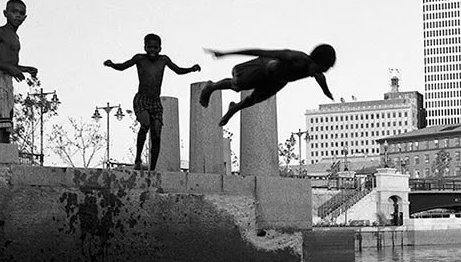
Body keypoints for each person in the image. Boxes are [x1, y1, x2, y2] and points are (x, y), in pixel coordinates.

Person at [103, 35, 200, 170]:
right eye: (150, 47)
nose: (152, 50)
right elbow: (123, 66)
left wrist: (191, 69)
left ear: (160, 48)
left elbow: (178, 70)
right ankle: (138, 158)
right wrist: (112, 64)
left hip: (155, 102)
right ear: (145, 47)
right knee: (145, 124)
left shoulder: (164, 60)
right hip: (142, 99)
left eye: (155, 47)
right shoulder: (139, 58)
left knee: (156, 135)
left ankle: (152, 169)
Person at [199, 44, 335, 128]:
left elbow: (321, 80)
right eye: (321, 68)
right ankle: (211, 86)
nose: (318, 73)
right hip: (264, 68)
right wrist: (226, 53)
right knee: (237, 85)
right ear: (315, 61)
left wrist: (327, 93)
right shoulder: (295, 57)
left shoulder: (317, 72)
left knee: (253, 100)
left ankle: (233, 109)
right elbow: (259, 51)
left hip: (277, 82)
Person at [0, 0, 36, 143]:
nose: (17, 15)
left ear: (25, 17)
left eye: (21, 13)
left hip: (6, 78)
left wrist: (25, 69)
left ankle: (4, 153)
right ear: (5, 13)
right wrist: (10, 68)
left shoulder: (15, 36)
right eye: (14, 12)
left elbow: (10, 63)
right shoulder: (0, 32)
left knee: (6, 119)